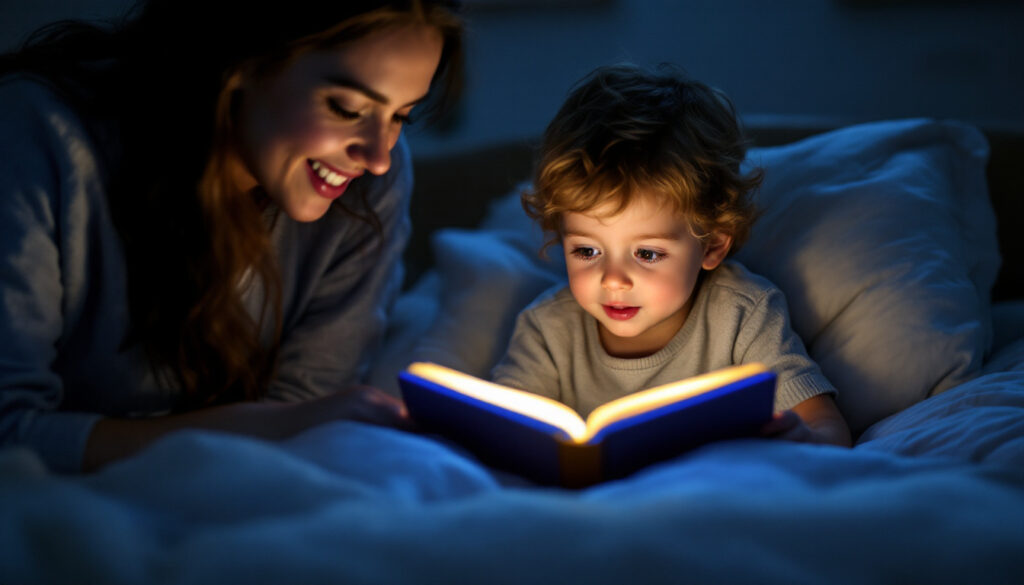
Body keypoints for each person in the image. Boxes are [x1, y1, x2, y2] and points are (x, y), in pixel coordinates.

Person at [0, 0, 464, 472]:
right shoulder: (38, 139)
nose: (377, 154)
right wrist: (275, 426)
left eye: (401, 116)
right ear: (243, 59)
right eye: (347, 109)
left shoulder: (369, 184)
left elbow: (305, 410)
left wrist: (288, 425)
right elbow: (9, 433)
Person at [491, 63, 851, 447]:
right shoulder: (547, 329)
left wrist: (800, 437)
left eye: (646, 253)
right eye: (587, 250)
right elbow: (497, 436)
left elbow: (829, 430)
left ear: (711, 245)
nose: (613, 279)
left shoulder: (743, 313)